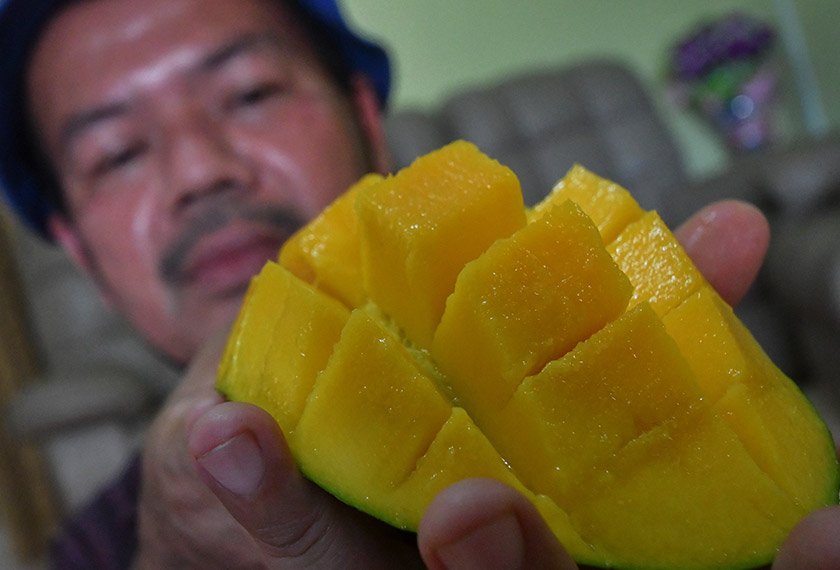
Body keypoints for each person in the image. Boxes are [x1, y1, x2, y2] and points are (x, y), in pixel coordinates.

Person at [0, 0, 838, 568]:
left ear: (368, 122)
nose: (199, 171)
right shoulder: (90, 547)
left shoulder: (586, 275)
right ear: (81, 254)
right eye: (115, 154)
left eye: (250, 92)